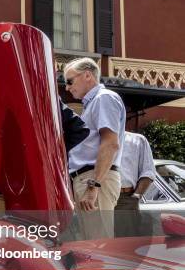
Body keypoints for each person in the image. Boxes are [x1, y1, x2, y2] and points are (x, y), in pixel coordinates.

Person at [65, 57, 126, 240]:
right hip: (91, 178)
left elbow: (110, 143)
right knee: (94, 245)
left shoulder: (103, 98)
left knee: (98, 246)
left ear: (87, 75)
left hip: (94, 178)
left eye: (70, 81)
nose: (67, 87)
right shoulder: (95, 102)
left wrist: (94, 186)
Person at [115, 131, 155, 237]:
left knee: (125, 244)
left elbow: (148, 172)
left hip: (125, 199)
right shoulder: (93, 138)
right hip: (98, 197)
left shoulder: (137, 140)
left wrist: (135, 197)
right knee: (99, 244)